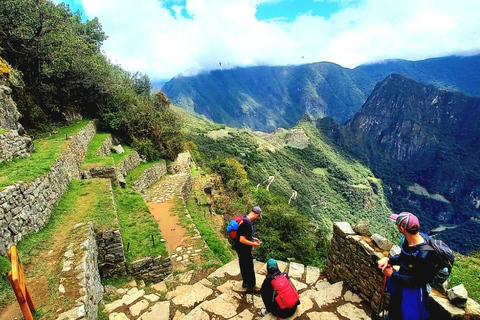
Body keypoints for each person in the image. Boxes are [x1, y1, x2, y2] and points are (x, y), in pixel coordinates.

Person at [377, 212, 436, 320]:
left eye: (397, 224)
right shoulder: (408, 242)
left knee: (409, 314)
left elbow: (417, 281)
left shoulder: (424, 255)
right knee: (395, 306)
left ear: (401, 228)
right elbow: (403, 258)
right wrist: (388, 259)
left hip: (413, 291)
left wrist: (392, 275)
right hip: (401, 282)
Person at [235, 206, 262, 292]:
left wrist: (253, 239)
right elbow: (242, 239)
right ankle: (251, 286)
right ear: (257, 215)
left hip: (239, 247)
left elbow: (243, 235)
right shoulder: (247, 223)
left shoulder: (244, 218)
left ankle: (245, 282)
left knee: (243, 265)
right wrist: (254, 244)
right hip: (244, 249)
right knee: (249, 267)